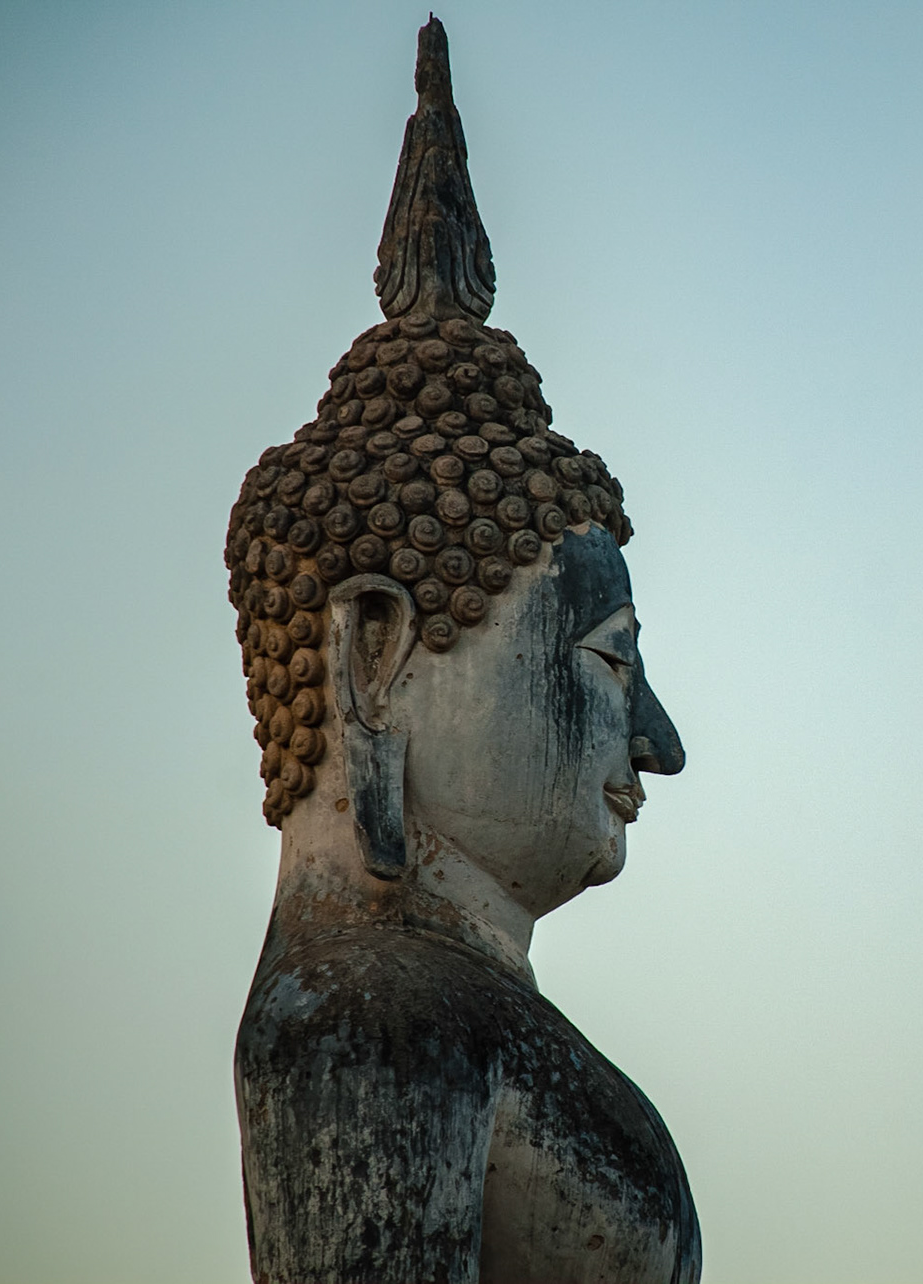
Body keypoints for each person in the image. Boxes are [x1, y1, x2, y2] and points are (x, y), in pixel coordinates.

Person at [223, 20, 699, 1282]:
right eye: (608, 662)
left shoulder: (456, 1005)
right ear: (377, 660)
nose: (657, 739)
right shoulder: (366, 1027)